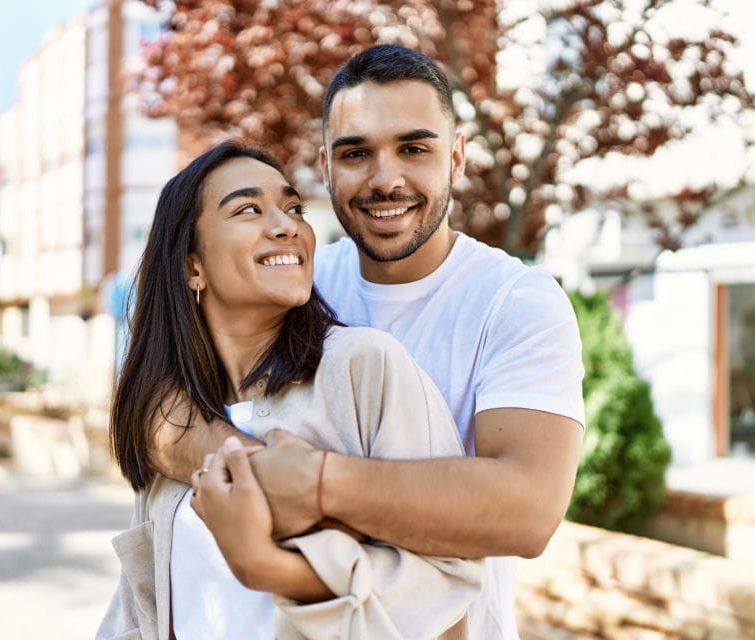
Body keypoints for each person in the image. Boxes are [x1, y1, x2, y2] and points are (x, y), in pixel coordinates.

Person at [151, 45, 586, 639]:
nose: (386, 179)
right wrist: (256, 472)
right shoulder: (297, 279)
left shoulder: (515, 302)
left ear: (455, 157)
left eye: (414, 148)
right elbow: (158, 400)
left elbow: (529, 511)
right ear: (326, 167)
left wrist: (318, 483)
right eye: (357, 154)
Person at [97, 140, 483, 640]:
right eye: (248, 209)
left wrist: (270, 565)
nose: (286, 225)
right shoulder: (173, 420)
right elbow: (142, 611)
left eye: (292, 207)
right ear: (193, 267)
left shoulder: (362, 367)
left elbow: (442, 593)